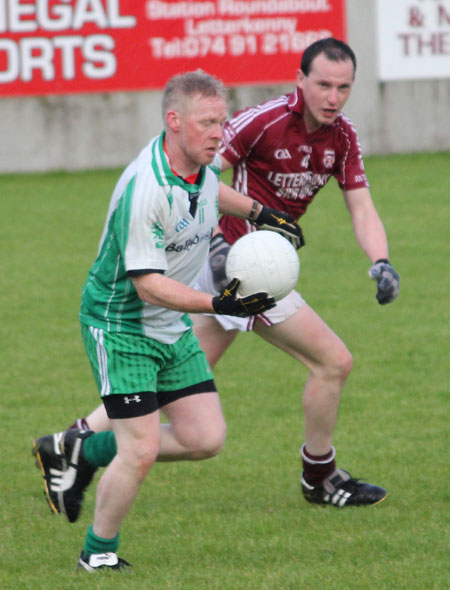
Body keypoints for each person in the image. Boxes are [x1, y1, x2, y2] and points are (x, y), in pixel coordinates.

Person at [41, 38, 400, 520]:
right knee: (333, 361)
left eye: (343, 87)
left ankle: (71, 444)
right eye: (323, 85)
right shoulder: (264, 121)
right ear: (301, 81)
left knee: (168, 388)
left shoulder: (343, 136)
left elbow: (361, 204)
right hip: (242, 271)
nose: (332, 97)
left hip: (253, 272)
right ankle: (320, 476)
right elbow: (199, 173)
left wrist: (381, 260)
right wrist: (217, 246)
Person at [32, 70, 304, 572]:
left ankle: (81, 449)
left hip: (170, 325)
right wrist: (219, 305)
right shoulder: (146, 188)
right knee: (141, 449)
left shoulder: (198, 163)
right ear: (173, 121)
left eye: (221, 122)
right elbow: (148, 285)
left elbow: (210, 192)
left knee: (205, 439)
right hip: (121, 325)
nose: (218, 133)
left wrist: (263, 214)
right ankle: (97, 554)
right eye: (207, 123)